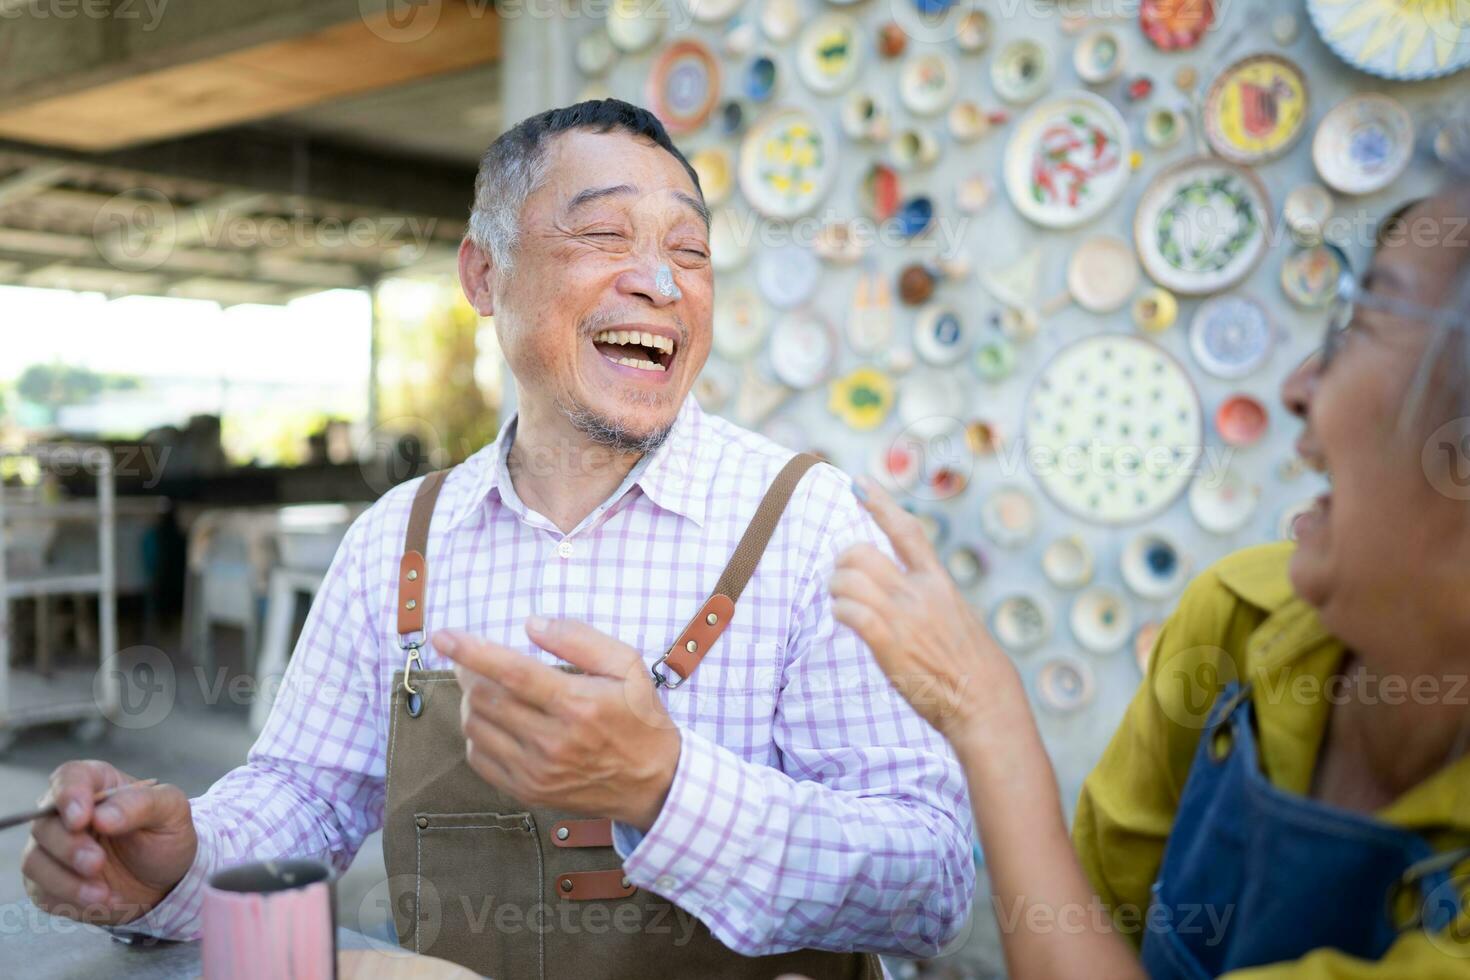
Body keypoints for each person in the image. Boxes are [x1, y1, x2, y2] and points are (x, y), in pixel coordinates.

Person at [21, 100, 974, 978]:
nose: (658, 282)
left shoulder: (810, 525)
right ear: (484, 273)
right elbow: (306, 796)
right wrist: (179, 862)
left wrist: (668, 787)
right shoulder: (398, 539)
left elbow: (931, 881)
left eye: (690, 250)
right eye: (603, 234)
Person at [831, 183, 1470, 978]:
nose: (1300, 386)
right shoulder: (1242, 616)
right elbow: (1093, 909)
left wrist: (982, 708)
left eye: (1365, 323)